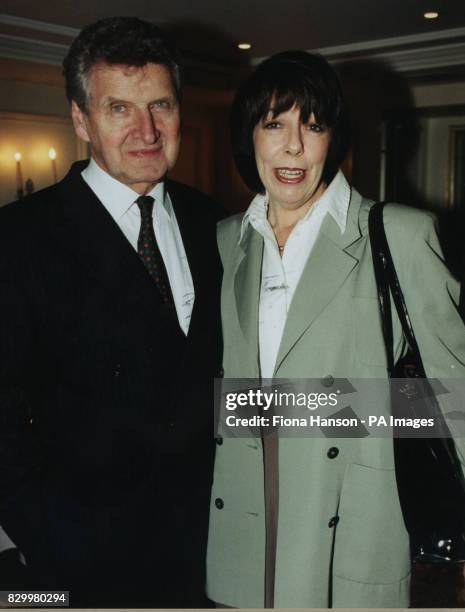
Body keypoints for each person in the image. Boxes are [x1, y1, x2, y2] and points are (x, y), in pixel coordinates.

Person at [206, 50, 465, 608]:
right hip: (248, 506)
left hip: (350, 509)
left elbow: (453, 400)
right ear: (249, 136)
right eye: (274, 123)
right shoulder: (229, 239)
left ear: (333, 138)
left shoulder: (396, 233)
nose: (293, 146)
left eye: (313, 125)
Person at [0, 17, 222, 608]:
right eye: (119, 109)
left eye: (161, 105)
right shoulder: (19, 237)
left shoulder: (214, 222)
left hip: (208, 553)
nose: (147, 130)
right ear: (81, 119)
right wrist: (40, 531)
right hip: (83, 560)